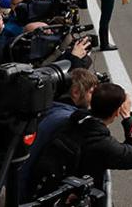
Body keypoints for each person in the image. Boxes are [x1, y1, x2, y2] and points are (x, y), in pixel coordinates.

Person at [26, 82, 132, 196]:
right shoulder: (101, 143)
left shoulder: (73, 119)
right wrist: (128, 118)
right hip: (76, 194)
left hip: (45, 187)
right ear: (117, 112)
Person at [19, 69, 100, 199]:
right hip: (28, 189)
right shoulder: (65, 119)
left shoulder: (50, 107)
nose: (94, 97)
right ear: (75, 92)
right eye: (91, 92)